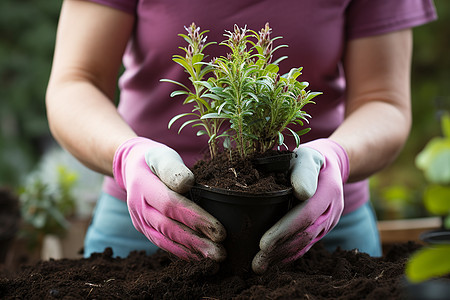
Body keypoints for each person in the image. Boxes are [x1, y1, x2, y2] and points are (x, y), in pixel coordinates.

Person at [46, 0, 437, 273]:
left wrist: (339, 156)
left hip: (319, 225)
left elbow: (383, 100)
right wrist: (125, 155)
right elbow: (74, 82)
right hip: (146, 222)